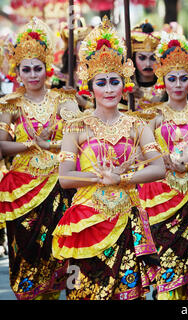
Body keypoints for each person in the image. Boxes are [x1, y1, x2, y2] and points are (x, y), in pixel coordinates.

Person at [51, 17, 166, 300]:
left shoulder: (137, 124)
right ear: (90, 88)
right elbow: (65, 178)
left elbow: (159, 168)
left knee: (127, 294)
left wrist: (122, 178)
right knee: (84, 292)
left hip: (126, 217)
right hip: (85, 220)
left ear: (124, 84)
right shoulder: (76, 126)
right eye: (101, 82)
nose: (109, 89)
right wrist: (99, 177)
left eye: (115, 81)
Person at [0, 17, 78, 300]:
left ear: (48, 69)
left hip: (60, 186)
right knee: (27, 256)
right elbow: (1, 146)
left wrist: (53, 145)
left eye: (38, 68)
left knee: (62, 257)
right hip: (21, 191)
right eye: (27, 69)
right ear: (17, 72)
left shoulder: (65, 100)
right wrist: (33, 144)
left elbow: (80, 140)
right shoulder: (9, 105)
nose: (33, 74)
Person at [137, 32, 188, 300]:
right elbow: (137, 153)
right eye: (172, 78)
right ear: (162, 80)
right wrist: (158, 158)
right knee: (166, 266)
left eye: (184, 78)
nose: (178, 84)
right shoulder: (151, 115)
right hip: (160, 197)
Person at [130, 20, 163, 108]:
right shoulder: (125, 85)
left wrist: (143, 95)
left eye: (153, 58)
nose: (148, 64)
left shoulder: (167, 84)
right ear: (134, 58)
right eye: (142, 58)